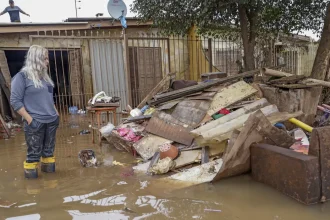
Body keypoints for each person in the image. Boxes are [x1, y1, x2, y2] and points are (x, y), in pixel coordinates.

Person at [10, 45, 59, 179]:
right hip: (35, 122)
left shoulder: (45, 79)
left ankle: (51, 186)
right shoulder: (22, 77)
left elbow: (49, 98)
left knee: (49, 152)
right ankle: (33, 191)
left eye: (47, 58)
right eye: (44, 59)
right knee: (33, 155)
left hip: (51, 121)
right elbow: (15, 101)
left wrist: (56, 114)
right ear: (35, 59)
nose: (47, 62)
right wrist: (30, 119)